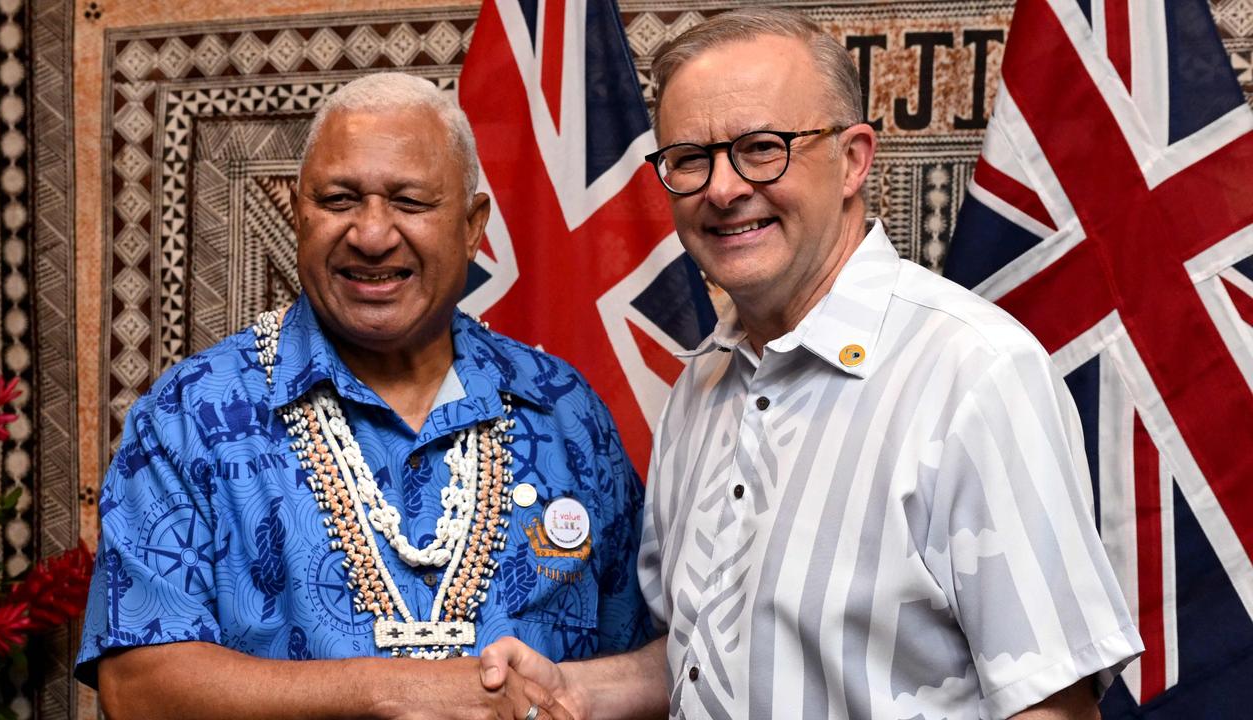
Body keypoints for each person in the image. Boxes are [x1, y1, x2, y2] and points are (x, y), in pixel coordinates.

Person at [479, 8, 1143, 719]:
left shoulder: (975, 376)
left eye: (762, 148)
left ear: (854, 158)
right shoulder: (702, 384)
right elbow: (702, 657)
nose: (723, 189)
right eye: (690, 159)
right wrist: (572, 691)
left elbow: (1050, 706)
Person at [75, 71, 653, 720]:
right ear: (298, 213)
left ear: (472, 227)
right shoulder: (190, 417)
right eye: (339, 199)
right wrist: (394, 689)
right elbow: (137, 688)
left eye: (409, 202)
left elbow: (648, 667)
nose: (372, 235)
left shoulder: (564, 411)